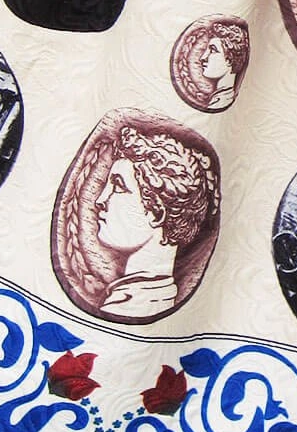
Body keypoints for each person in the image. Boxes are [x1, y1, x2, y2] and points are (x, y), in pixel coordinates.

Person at [94, 124, 220, 319]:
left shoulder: (137, 305)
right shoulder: (131, 298)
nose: (100, 200)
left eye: (118, 186)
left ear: (157, 213)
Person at [198, 22, 249, 110]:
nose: (203, 58)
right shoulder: (218, 99)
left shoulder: (222, 101)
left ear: (229, 59)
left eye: (213, 50)